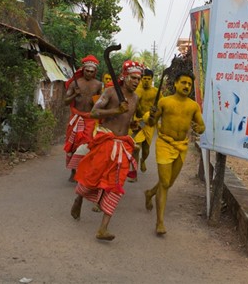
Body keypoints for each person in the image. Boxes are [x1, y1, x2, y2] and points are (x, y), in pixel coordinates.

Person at [70, 60, 143, 241]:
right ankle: (78, 198)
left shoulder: (135, 99)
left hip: (123, 145)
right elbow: (94, 113)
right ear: (124, 77)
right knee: (92, 177)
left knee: (117, 185)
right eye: (133, 78)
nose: (136, 82)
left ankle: (103, 228)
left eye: (138, 79)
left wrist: (135, 124)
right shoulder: (110, 92)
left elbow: (130, 121)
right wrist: (116, 111)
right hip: (106, 140)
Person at [144, 71, 205, 235]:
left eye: (189, 84)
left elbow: (201, 125)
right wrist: (151, 115)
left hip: (181, 146)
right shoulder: (164, 102)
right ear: (176, 84)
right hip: (164, 144)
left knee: (168, 183)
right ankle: (160, 223)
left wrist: (199, 128)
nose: (186, 86)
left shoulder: (193, 106)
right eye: (183, 83)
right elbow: (151, 122)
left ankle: (150, 193)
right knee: (165, 183)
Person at [63, 55, 103, 182]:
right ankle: (73, 171)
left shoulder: (98, 85)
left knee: (87, 145)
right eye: (87, 71)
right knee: (73, 145)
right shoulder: (75, 83)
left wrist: (95, 102)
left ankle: (83, 171)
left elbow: (100, 103)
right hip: (76, 117)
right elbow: (65, 101)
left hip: (90, 119)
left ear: (95, 72)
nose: (89, 73)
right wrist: (75, 94)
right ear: (83, 69)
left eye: (92, 71)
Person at [131, 69, 158, 175]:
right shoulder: (136, 90)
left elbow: (162, 106)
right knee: (136, 148)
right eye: (144, 79)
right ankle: (133, 172)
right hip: (138, 122)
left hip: (149, 124)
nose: (146, 81)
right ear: (141, 79)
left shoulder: (156, 92)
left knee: (146, 150)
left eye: (148, 79)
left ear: (152, 79)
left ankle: (143, 160)